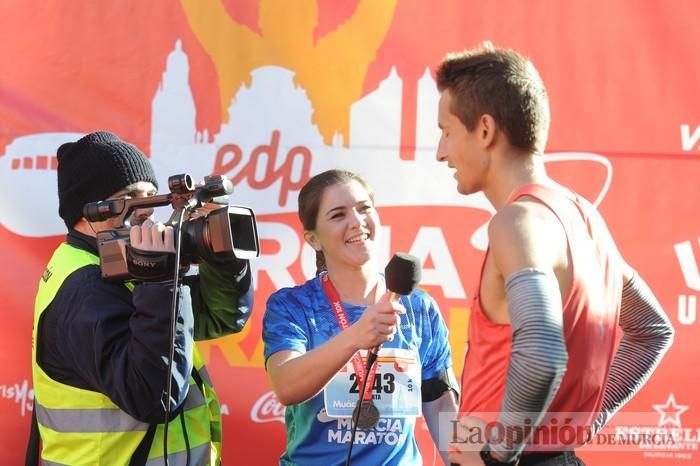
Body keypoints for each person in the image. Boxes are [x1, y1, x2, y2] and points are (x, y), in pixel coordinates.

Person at [434, 43, 675, 466]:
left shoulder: (517, 222)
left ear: (485, 130)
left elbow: (543, 350)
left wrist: (498, 454)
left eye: (446, 131)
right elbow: (652, 330)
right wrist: (569, 430)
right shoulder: (585, 219)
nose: (441, 152)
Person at [29, 131, 254, 465]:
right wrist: (161, 281)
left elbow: (221, 316)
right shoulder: (85, 285)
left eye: (152, 195)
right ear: (89, 211)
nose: (150, 212)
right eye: (134, 197)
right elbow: (153, 396)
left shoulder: (125, 267)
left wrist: (221, 256)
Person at [262, 169, 459, 465]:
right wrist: (355, 337)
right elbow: (286, 386)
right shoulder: (292, 305)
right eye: (338, 215)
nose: (357, 222)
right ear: (313, 239)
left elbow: (441, 404)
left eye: (364, 208)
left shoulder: (419, 307)